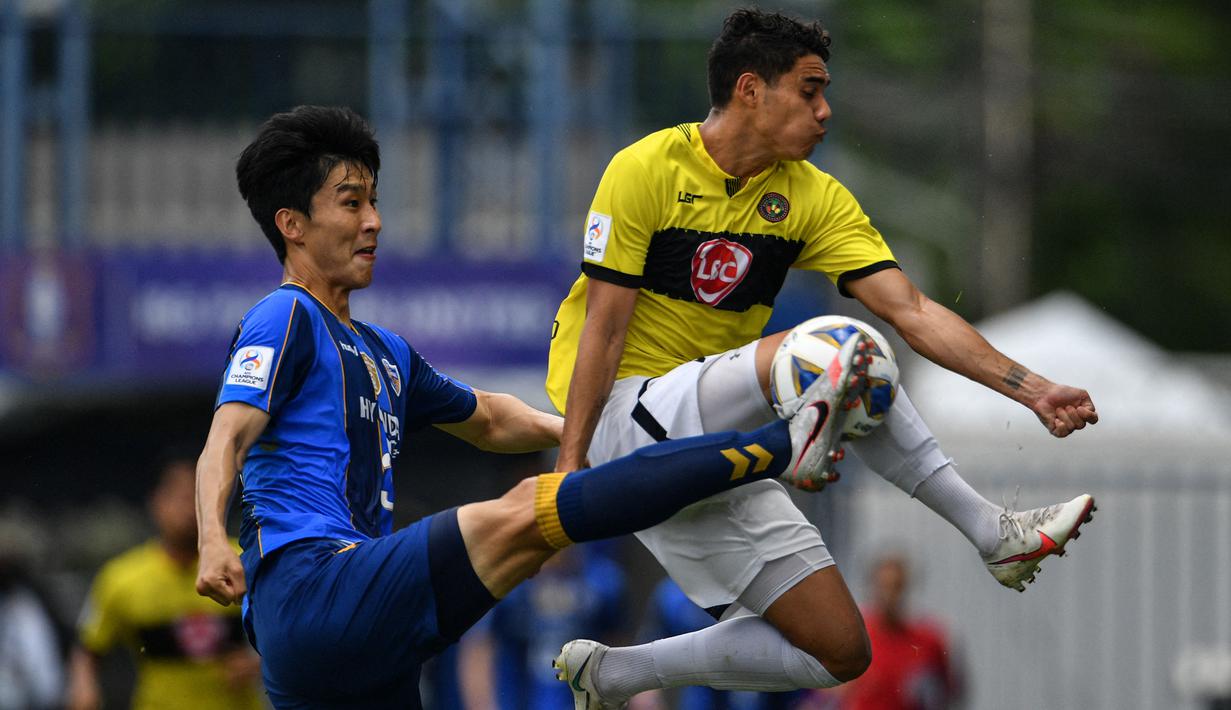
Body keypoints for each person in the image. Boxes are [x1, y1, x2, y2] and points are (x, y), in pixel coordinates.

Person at [193, 104, 854, 709]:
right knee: (527, 513)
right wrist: (210, 542)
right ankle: (781, 443)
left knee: (537, 512)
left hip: (356, 643)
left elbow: (488, 418)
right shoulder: (284, 317)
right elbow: (224, 440)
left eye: (373, 200)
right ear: (292, 225)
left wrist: (597, 437)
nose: (375, 221)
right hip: (313, 590)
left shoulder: (384, 352)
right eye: (351, 203)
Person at [547, 7, 1098, 707]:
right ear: (750, 90)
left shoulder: (811, 196)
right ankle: (954, 515)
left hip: (706, 434)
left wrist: (1032, 390)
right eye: (808, 90)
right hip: (623, 417)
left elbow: (915, 310)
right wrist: (567, 475)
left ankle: (613, 675)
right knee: (845, 349)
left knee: (836, 650)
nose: (824, 110)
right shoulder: (644, 168)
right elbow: (603, 330)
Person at [65, 460, 262, 710]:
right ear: (156, 502)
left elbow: (288, 628)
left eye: (197, 497)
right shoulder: (121, 578)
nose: (189, 509)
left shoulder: (242, 561)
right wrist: (84, 688)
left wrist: (259, 661)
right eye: (179, 497)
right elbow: (88, 648)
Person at [823, 554, 962, 710]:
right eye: (883, 586)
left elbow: (951, 690)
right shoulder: (853, 636)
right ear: (872, 586)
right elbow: (824, 690)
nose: (889, 596)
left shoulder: (929, 640)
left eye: (896, 587)